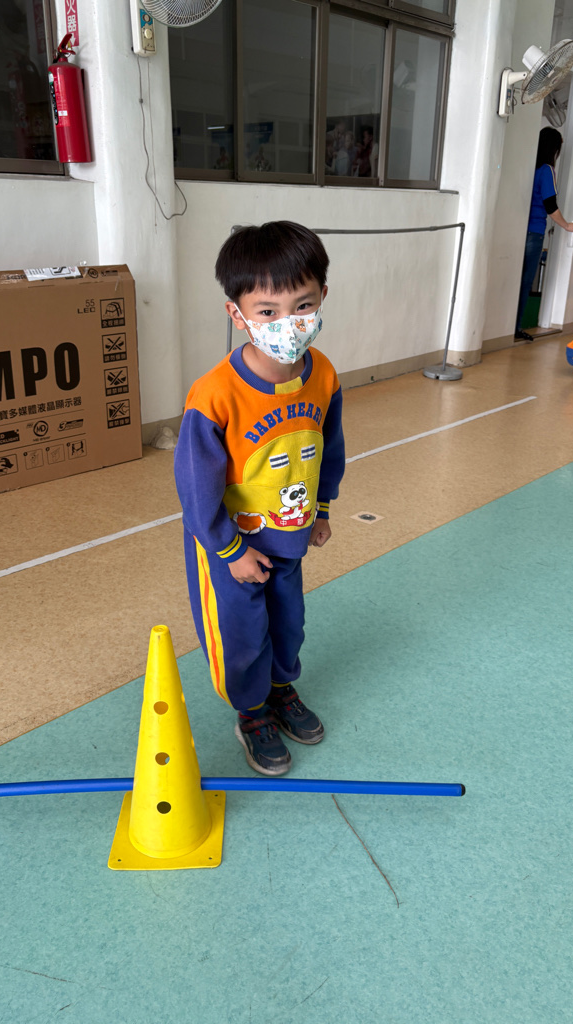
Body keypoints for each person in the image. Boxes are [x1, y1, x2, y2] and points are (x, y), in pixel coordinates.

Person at [173, 221, 345, 777]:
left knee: (288, 622)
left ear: (322, 297)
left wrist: (321, 509)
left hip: (289, 533)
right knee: (242, 633)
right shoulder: (214, 395)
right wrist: (229, 549)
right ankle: (251, 712)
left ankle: (281, 688)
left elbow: (328, 447)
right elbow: (196, 487)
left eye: (303, 305)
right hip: (230, 546)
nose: (288, 322)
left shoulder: (324, 376)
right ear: (237, 314)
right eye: (267, 311)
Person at [515, 127, 573, 342]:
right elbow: (550, 205)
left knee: (514, 279)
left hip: (516, 229)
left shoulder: (527, 165)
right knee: (525, 281)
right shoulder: (547, 170)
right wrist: (567, 225)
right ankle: (515, 327)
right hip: (533, 231)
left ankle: (506, 327)